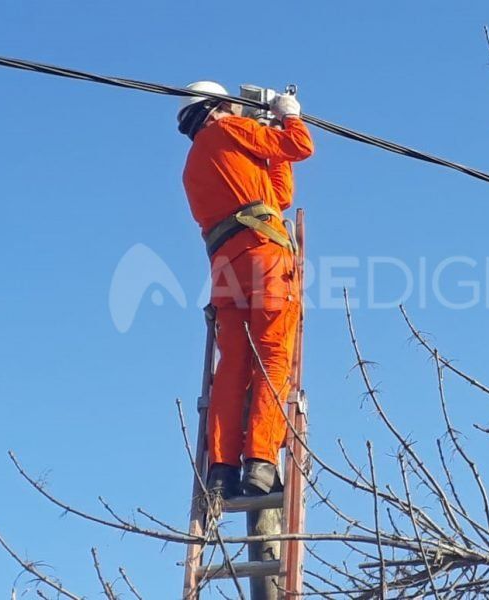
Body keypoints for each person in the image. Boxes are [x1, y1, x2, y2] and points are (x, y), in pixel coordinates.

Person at [178, 82, 314, 497]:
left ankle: (221, 468)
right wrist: (288, 114)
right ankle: (259, 460)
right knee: (272, 356)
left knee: (233, 365)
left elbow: (280, 196)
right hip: (264, 256)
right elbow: (300, 144)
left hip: (226, 268)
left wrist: (266, 136)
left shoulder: (193, 166)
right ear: (217, 109)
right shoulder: (226, 131)